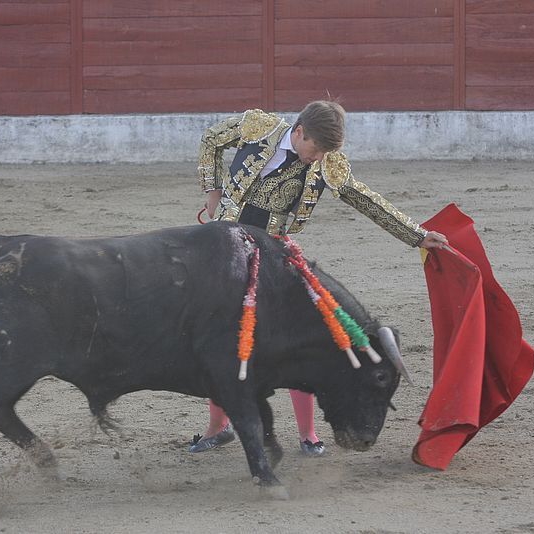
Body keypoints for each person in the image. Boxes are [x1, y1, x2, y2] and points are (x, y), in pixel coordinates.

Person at [189, 100, 448, 456]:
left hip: (273, 253)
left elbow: (365, 199)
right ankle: (218, 427)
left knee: (300, 340)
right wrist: (212, 190)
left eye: (325, 153)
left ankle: (308, 434)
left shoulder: (326, 162)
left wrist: (416, 235)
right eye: (315, 149)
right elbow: (211, 139)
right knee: (223, 336)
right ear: (298, 133)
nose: (318, 158)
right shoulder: (257, 126)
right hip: (225, 248)